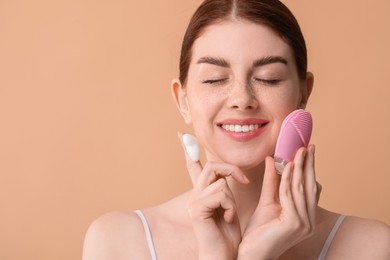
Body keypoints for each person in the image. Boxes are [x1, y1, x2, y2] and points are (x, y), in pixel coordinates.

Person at [82, 0, 390, 259]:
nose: (242, 99)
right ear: (183, 99)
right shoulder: (118, 242)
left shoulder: (370, 247)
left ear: (303, 93)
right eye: (215, 78)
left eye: (268, 77)